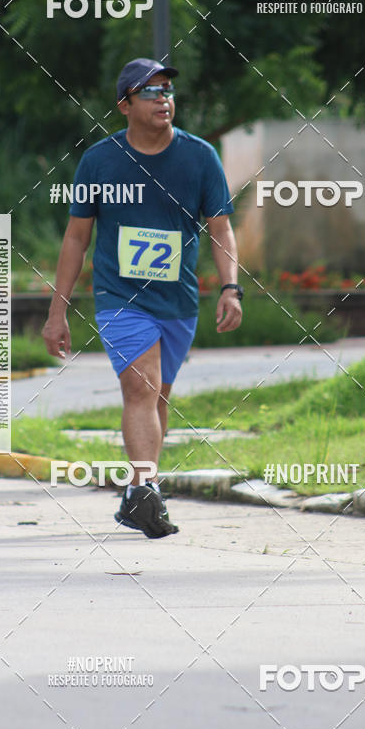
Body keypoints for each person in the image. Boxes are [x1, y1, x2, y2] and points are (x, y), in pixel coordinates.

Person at [42, 58, 243, 539]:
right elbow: (76, 238)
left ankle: (140, 491)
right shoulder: (99, 161)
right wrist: (57, 310)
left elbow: (220, 229)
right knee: (141, 388)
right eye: (150, 92)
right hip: (120, 296)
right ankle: (145, 490)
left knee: (158, 396)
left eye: (167, 90)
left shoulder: (200, 157)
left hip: (178, 300)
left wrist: (230, 287)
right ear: (125, 105)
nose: (163, 99)